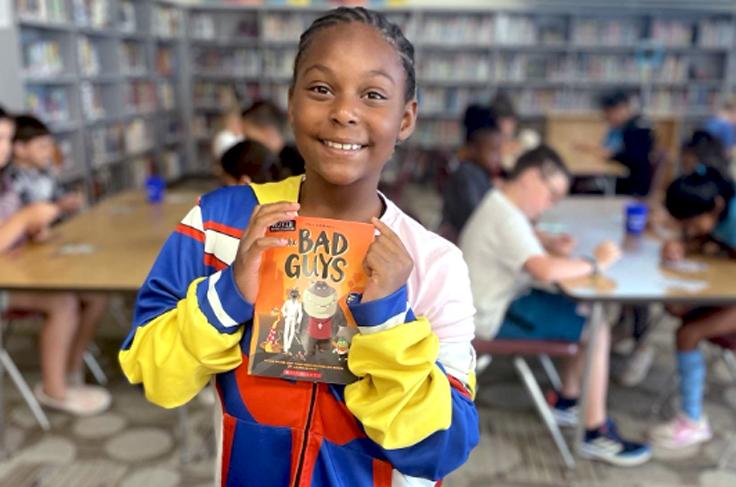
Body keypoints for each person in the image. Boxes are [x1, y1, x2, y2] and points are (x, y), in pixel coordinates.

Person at [119, 7, 479, 485]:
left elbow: (444, 448)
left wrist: (389, 323)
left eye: (373, 95)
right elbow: (152, 374)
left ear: (406, 118)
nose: (344, 112)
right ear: (291, 104)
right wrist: (227, 298)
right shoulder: (219, 224)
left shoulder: (433, 263)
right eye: (321, 89)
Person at [461, 145, 652, 467]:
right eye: (551, 195)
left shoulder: (500, 204)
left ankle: (568, 398)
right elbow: (544, 270)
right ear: (532, 177)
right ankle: (594, 432)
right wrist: (595, 262)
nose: (551, 205)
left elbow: (521, 237)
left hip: (493, 302)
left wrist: (546, 241)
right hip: (491, 318)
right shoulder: (506, 218)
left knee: (581, 309)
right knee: (594, 322)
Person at [0, 106, 110, 416]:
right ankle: (54, 389)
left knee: (95, 292)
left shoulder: (4, 182)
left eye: (7, 138)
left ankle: (71, 371)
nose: (4, 148)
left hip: (15, 269)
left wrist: (31, 229)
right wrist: (24, 219)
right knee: (62, 301)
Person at [649, 167, 736, 449]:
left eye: (692, 223)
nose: (689, 228)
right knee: (677, 308)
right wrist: (684, 245)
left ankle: (693, 421)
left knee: (689, 333)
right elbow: (715, 238)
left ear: (717, 206)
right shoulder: (722, 213)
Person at [440, 104, 503, 237]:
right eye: (493, 151)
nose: (499, 158)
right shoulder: (466, 175)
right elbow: (477, 219)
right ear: (472, 149)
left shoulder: (478, 172)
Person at [10, 114, 84, 215]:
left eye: (50, 145)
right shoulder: (11, 182)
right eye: (42, 147)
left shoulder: (44, 171)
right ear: (20, 148)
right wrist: (58, 207)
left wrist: (69, 200)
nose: (48, 152)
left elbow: (59, 194)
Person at [241, 100, 305, 176]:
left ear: (268, 133)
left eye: (249, 138)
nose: (247, 145)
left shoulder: (301, 164)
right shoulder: (271, 164)